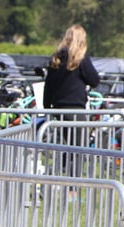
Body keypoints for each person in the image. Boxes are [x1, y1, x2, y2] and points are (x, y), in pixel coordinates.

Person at [43, 24, 100, 175]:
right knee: (80, 146)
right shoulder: (81, 59)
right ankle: (72, 181)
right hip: (75, 108)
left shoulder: (56, 57)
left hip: (58, 108)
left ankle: (55, 171)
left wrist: (47, 106)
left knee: (70, 144)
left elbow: (48, 85)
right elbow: (94, 80)